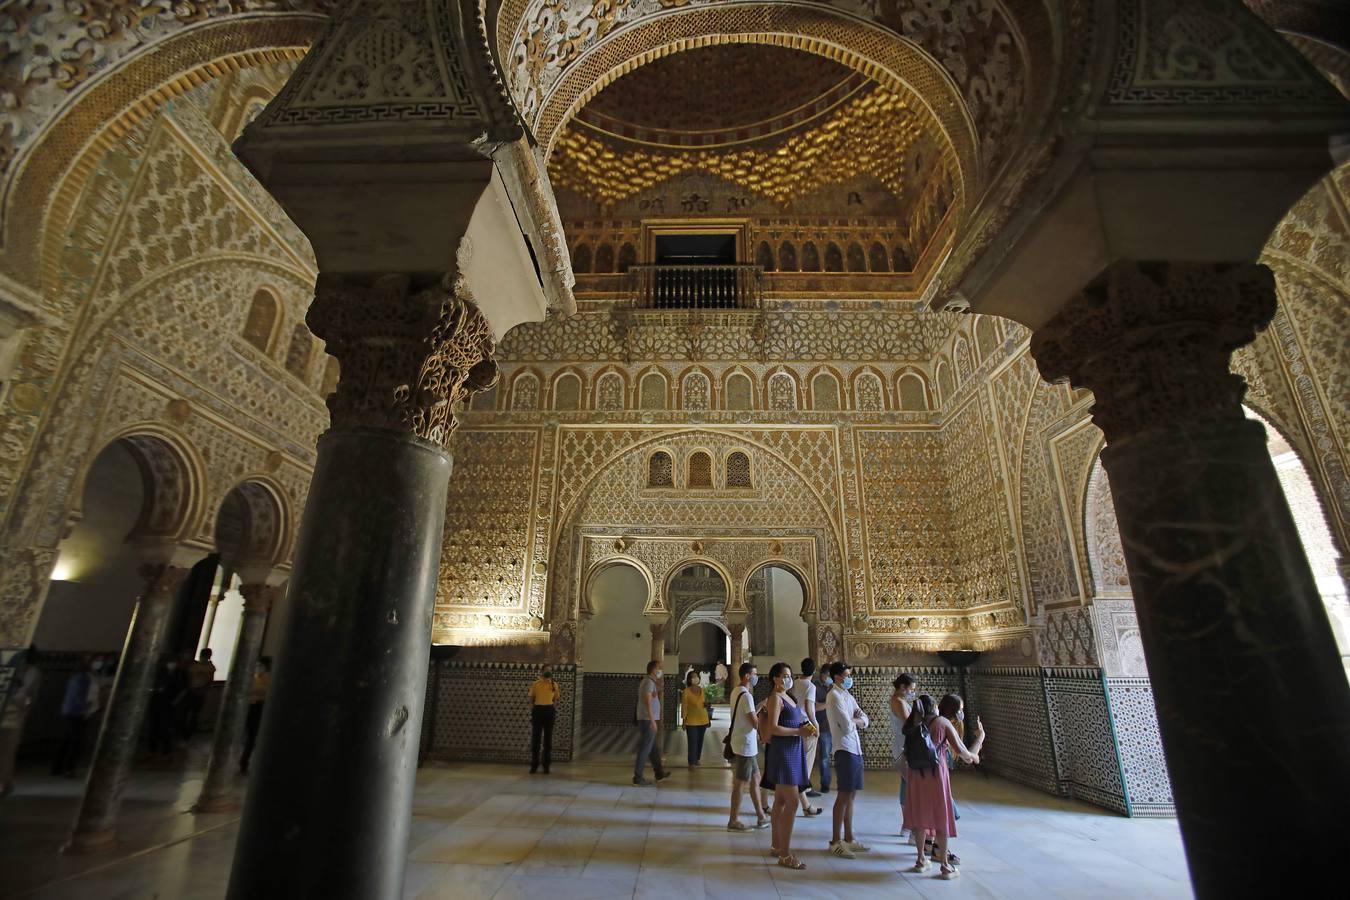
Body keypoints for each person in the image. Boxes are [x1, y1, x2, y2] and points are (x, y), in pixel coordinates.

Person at [902, 693, 986, 880]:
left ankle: (921, 859)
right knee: (941, 814)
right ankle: (944, 866)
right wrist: (980, 740)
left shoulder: (911, 724)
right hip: (935, 774)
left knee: (920, 814)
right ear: (934, 707)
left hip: (916, 774)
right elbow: (964, 754)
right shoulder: (942, 723)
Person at [759, 661, 814, 870]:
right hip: (783, 753)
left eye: (789, 675)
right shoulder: (775, 698)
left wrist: (803, 727)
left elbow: (789, 722)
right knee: (792, 803)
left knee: (781, 802)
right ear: (774, 678)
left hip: (792, 749)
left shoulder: (787, 697)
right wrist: (798, 732)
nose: (787, 679)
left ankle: (776, 845)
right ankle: (785, 854)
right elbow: (773, 728)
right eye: (783, 675)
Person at [824, 661, 869, 858]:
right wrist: (856, 720)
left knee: (852, 794)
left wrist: (857, 720)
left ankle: (849, 837)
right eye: (847, 675)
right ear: (837, 677)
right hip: (844, 749)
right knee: (843, 795)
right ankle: (835, 841)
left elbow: (864, 720)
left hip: (855, 748)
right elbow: (847, 726)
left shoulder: (847, 695)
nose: (849, 678)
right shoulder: (834, 696)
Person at [726, 662, 769, 832]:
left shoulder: (737, 691)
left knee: (756, 778)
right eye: (754, 674)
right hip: (746, 744)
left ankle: (761, 816)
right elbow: (753, 721)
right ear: (747, 676)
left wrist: (758, 708)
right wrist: (765, 725)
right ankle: (733, 820)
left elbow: (746, 715)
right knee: (740, 783)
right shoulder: (747, 696)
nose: (756, 677)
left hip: (743, 742)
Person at [0, 645, 42, 795]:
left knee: (6, 755)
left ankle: (4, 784)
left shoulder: (32, 672)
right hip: (11, 714)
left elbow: (28, 697)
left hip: (14, 717)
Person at [51, 656, 98, 777]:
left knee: (67, 740)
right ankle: (69, 768)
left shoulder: (74, 678)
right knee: (75, 742)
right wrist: (86, 707)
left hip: (68, 711)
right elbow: (81, 696)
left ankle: (58, 766)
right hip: (77, 712)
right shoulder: (84, 679)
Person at [888, 673, 916, 839]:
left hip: (903, 747)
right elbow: (909, 724)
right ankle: (911, 826)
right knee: (912, 786)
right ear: (902, 687)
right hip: (904, 748)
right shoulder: (898, 702)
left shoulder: (901, 701)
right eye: (911, 689)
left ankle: (907, 825)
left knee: (907, 784)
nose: (912, 692)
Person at [791, 657, 823, 802]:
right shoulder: (811, 686)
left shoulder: (795, 682)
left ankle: (800, 786)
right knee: (808, 758)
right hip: (806, 724)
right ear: (814, 671)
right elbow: (810, 707)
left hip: (794, 723)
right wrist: (816, 725)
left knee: (798, 757)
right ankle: (803, 787)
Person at [633, 660, 670, 785]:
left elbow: (653, 694)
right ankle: (637, 778)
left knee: (653, 749)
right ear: (654, 670)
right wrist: (653, 721)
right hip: (647, 720)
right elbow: (647, 702)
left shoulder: (651, 682)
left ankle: (659, 773)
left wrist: (659, 685)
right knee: (645, 749)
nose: (660, 671)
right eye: (659, 668)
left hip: (649, 719)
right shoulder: (648, 682)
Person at [148, 655, 185, 760]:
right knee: (154, 726)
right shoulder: (160, 673)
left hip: (169, 703)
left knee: (166, 727)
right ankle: (152, 750)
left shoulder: (179, 674)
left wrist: (174, 702)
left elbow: (182, 689)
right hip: (157, 701)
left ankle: (166, 751)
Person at [240, 656, 271, 774]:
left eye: (261, 666)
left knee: (252, 736)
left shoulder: (269, 680)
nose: (258, 668)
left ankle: (245, 761)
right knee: (247, 735)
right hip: (249, 707)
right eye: (257, 666)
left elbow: (264, 693)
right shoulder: (251, 678)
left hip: (259, 708)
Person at [527, 664, 560, 774]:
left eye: (550, 671)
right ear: (542, 672)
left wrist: (551, 709)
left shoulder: (554, 685)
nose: (548, 672)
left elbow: (555, 699)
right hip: (538, 711)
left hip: (549, 711)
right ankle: (534, 764)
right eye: (546, 670)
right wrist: (533, 711)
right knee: (536, 739)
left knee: (548, 740)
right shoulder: (536, 684)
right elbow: (531, 699)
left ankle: (546, 765)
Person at [182, 648, 215, 738]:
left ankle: (188, 734)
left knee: (193, 714)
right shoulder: (196, 666)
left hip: (199, 693)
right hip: (192, 691)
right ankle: (184, 732)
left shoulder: (209, 667)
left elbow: (209, 681)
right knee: (186, 713)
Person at [680, 668, 710, 767]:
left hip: (703, 719)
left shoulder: (702, 690)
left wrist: (707, 706)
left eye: (696, 676)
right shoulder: (686, 692)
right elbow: (684, 707)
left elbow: (704, 704)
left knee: (700, 741)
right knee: (692, 742)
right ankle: (691, 761)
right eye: (693, 677)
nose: (695, 678)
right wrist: (684, 721)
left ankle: (697, 759)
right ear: (689, 679)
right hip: (691, 721)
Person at [814, 665, 833, 795]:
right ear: (823, 675)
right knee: (824, 757)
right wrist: (829, 703)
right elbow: (813, 707)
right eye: (828, 676)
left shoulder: (833, 687)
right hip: (823, 726)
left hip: (836, 726)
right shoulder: (814, 687)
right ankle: (825, 784)